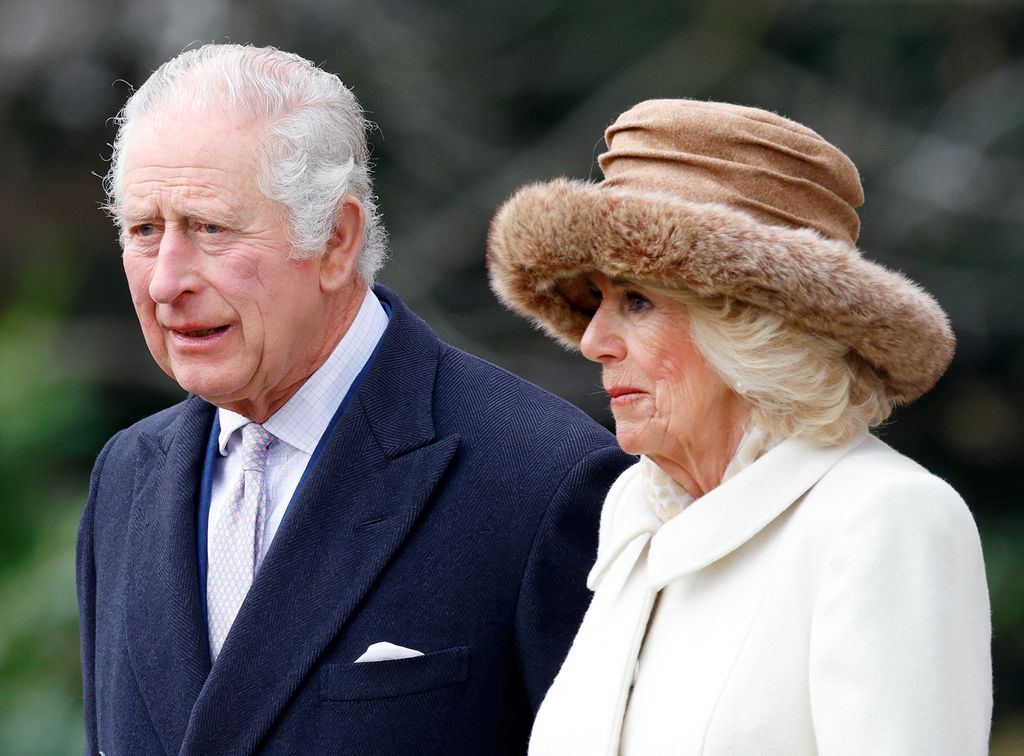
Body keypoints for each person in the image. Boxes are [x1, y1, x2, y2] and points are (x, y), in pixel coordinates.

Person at [76, 43, 632, 755]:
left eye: (209, 228)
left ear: (337, 241)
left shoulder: (543, 478)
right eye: (144, 230)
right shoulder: (125, 477)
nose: (165, 281)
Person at [487, 99, 992, 755]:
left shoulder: (884, 518)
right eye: (597, 299)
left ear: (751, 326)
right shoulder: (638, 513)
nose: (593, 341)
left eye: (635, 300)